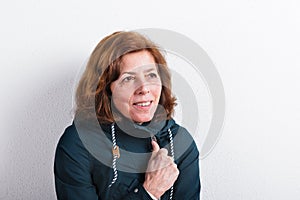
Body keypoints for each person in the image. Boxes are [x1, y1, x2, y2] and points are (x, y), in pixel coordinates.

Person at [54, 31, 200, 200]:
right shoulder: (78, 144)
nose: (144, 88)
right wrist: (150, 192)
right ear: (105, 89)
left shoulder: (181, 142)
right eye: (128, 79)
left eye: (151, 75)